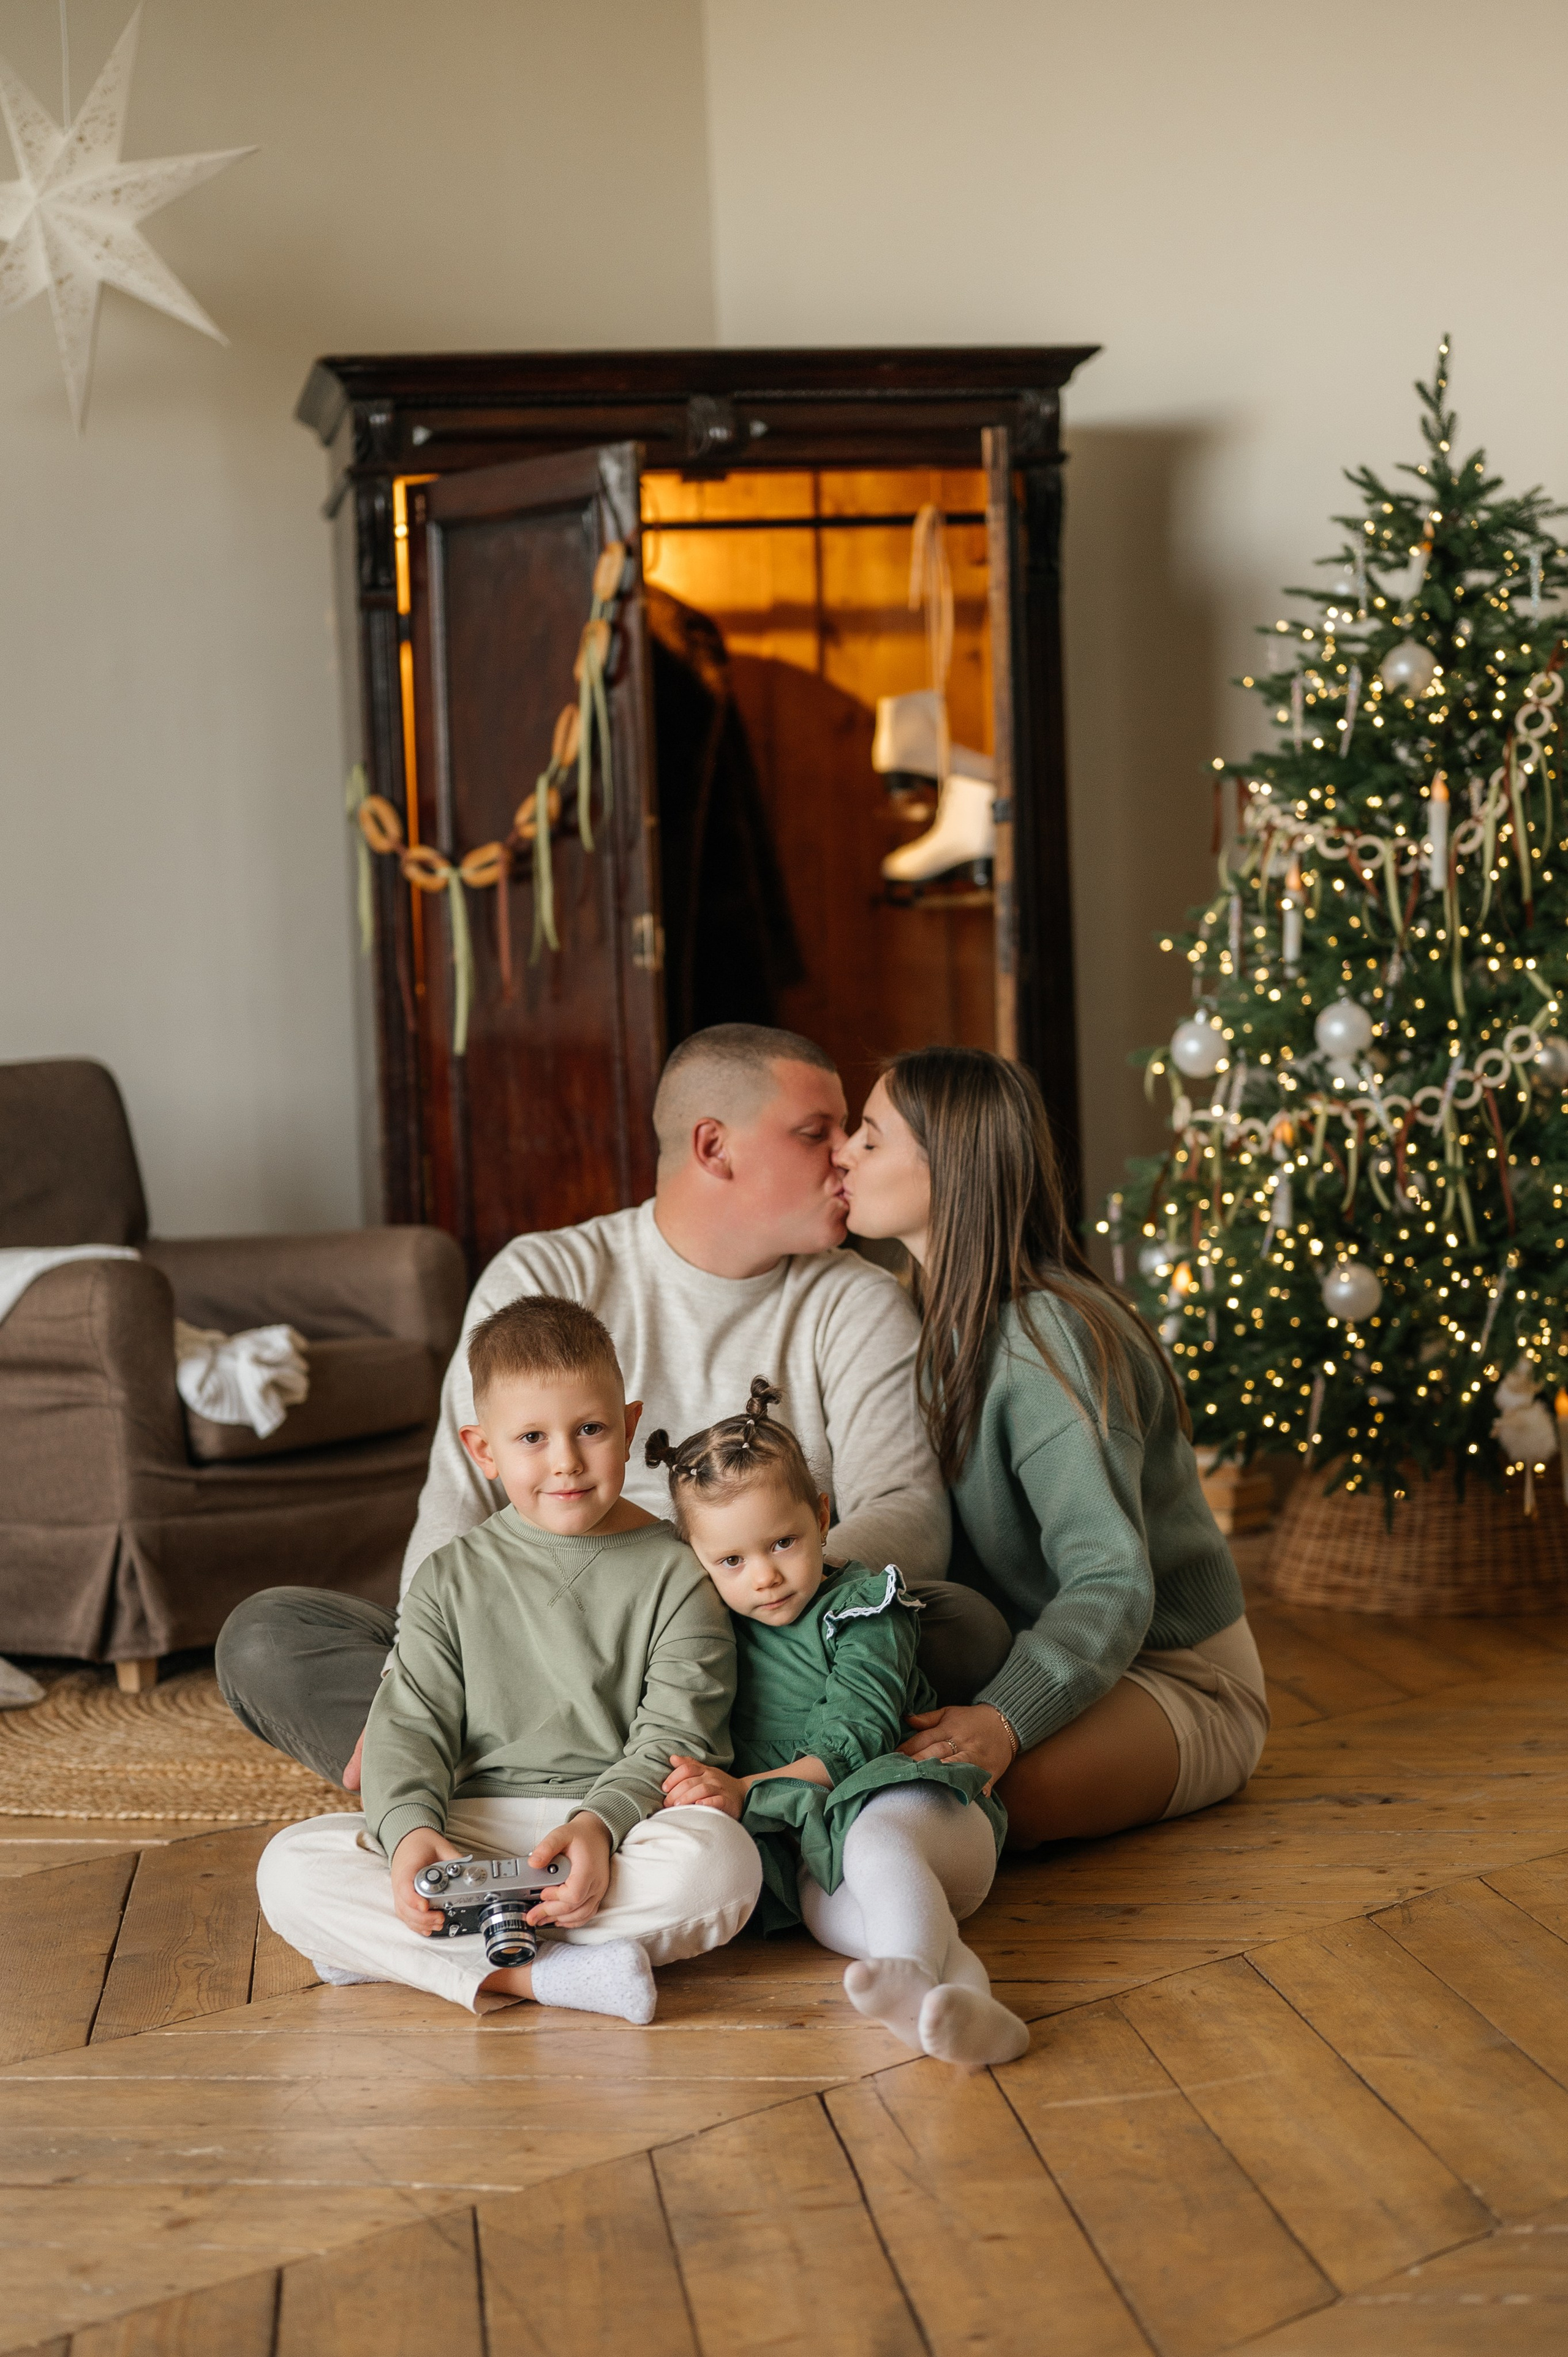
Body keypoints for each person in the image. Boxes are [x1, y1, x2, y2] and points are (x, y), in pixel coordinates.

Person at [217, 1024, 1010, 1788]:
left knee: (963, 1625)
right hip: (540, 1634)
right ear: (713, 1146)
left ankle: (503, 1775)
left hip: (757, 1635)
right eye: (815, 1131)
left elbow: (908, 1509)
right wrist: (417, 1674)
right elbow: (457, 1502)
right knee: (263, 1637)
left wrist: (719, 1599)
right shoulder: (549, 1271)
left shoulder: (857, 1300)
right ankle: (658, 1776)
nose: (844, 1155)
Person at [255, 1296, 761, 2020]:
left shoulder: (680, 1572)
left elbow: (678, 1736)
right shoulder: (449, 1576)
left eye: (590, 1428)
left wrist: (599, 1822)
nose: (565, 1461)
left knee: (720, 1863)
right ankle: (547, 1975)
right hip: (470, 1829)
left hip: (614, 1828)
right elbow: (411, 1724)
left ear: (626, 1426)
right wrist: (409, 1833)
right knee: (290, 1867)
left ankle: (412, 1954)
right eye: (531, 1436)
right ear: (482, 1449)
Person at [837, 1046, 1268, 1848]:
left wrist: (1004, 1718)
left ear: (949, 1169)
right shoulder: (916, 1317)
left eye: (869, 1136)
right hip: (1060, 1658)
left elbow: (1111, 1580)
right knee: (867, 1774)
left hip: (1177, 1675)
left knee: (944, 1799)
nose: (842, 1154)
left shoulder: (1045, 1345)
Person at [649, 1378, 1028, 2070]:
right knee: (829, 1915)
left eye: (783, 1541)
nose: (763, 1575)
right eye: (732, 1560)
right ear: (697, 1561)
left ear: (822, 1515)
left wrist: (740, 1790)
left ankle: (910, 1969)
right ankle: (966, 2012)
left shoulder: (861, 1608)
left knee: (875, 1839)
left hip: (923, 1811)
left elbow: (851, 1738)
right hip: (821, 1849)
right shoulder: (711, 1633)